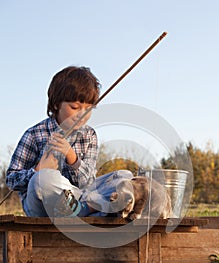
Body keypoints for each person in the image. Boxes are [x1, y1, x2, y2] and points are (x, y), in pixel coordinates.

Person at [6, 66, 133, 217]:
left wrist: (72, 157)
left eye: (89, 108)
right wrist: (37, 171)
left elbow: (87, 183)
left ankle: (85, 209)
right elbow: (11, 180)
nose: (82, 115)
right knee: (43, 179)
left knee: (124, 176)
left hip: (80, 197)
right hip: (44, 205)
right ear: (56, 105)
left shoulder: (89, 135)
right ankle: (95, 209)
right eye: (75, 107)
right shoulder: (35, 134)